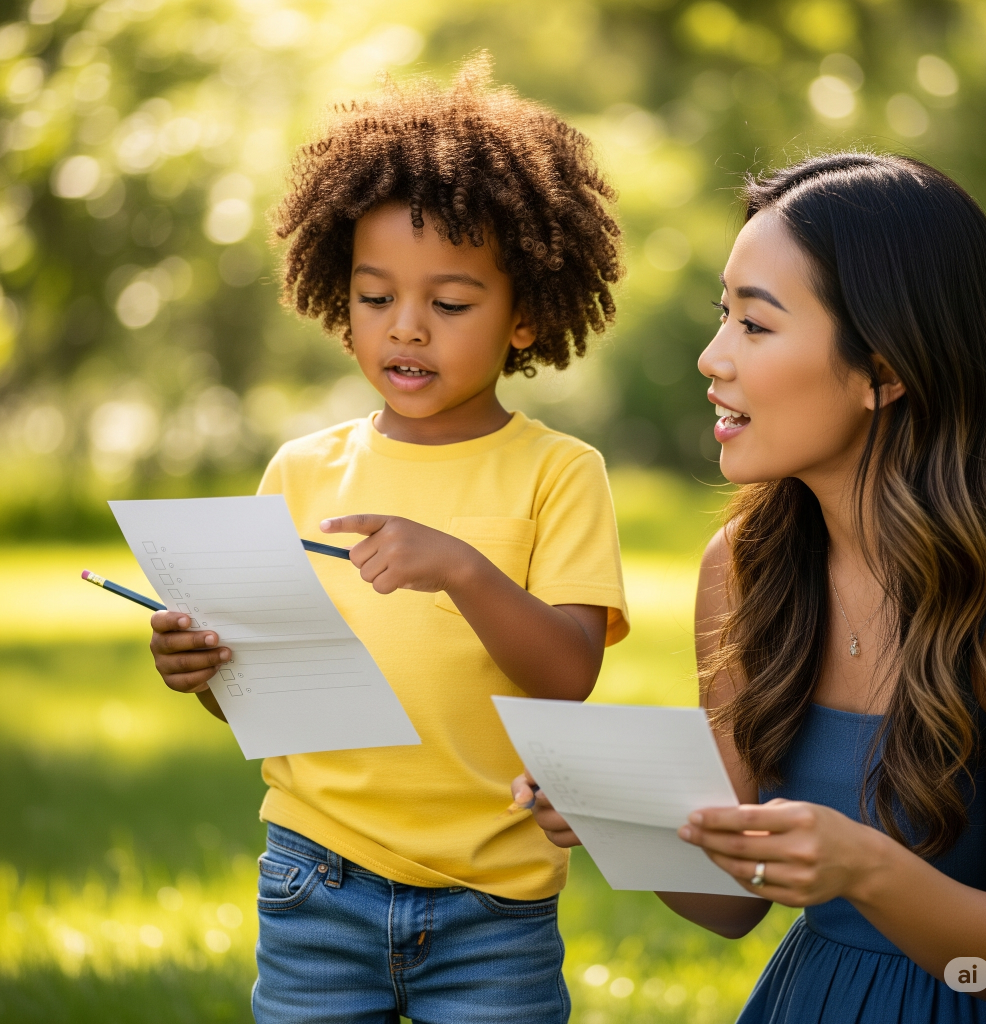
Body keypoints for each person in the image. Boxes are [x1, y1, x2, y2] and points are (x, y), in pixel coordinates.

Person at [148, 58, 629, 1024]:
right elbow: (266, 696)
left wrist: (458, 567)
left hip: (492, 902)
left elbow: (568, 674)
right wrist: (204, 668)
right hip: (313, 880)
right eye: (375, 298)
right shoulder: (299, 470)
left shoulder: (560, 472)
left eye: (449, 305)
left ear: (526, 315)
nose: (407, 329)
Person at [513, 152, 986, 1020]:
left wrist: (863, 867)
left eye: (756, 324)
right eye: (724, 315)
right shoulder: (745, 569)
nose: (712, 358)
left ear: (886, 370)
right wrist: (619, 815)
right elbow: (733, 904)